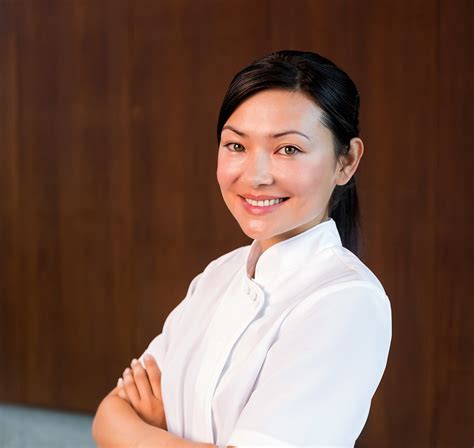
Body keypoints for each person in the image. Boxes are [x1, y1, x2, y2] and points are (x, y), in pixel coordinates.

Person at [92, 49, 392, 448]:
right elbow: (107, 418)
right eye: (236, 146)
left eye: (288, 149)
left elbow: (121, 431)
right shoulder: (219, 274)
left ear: (347, 161)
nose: (256, 175)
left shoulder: (346, 301)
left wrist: (150, 432)